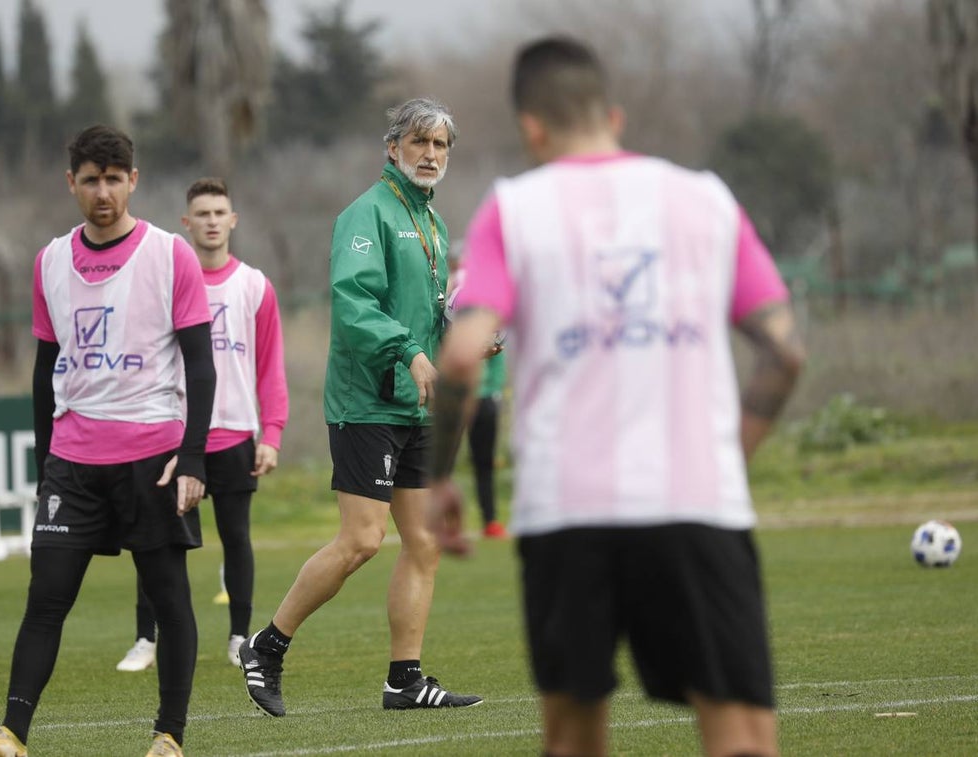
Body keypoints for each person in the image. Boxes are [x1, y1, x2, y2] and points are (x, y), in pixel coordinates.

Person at [428, 37, 806, 757]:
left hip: (566, 511)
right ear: (615, 114)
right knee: (742, 736)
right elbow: (786, 352)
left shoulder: (514, 208)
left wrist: (441, 477)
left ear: (530, 126)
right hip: (696, 501)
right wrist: (728, 453)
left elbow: (460, 356)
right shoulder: (707, 200)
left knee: (573, 739)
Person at [0, 125, 216, 757]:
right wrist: (45, 456)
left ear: (134, 180)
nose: (104, 191)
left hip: (152, 458)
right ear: (70, 182)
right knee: (45, 599)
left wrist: (192, 456)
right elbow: (45, 370)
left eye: (115, 178)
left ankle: (169, 736)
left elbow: (200, 365)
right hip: (73, 463)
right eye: (91, 179)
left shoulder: (169, 253)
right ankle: (12, 735)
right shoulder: (49, 261)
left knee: (169, 597)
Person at [238, 98, 483, 717]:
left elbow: (426, 315)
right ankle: (266, 647)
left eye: (441, 146)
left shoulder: (434, 222)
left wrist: (461, 337)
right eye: (420, 143)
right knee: (362, 541)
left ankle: (405, 680)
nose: (431, 155)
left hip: (415, 405)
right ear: (392, 148)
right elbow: (353, 305)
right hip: (367, 401)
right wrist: (410, 353)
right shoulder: (364, 214)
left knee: (422, 542)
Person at [116, 177, 288, 673]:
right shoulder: (167, 282)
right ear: (186, 223)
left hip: (234, 432)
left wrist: (271, 434)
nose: (212, 221)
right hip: (171, 433)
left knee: (236, 538)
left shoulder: (254, 286)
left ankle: (239, 636)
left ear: (232, 220)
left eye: (220, 213)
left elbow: (269, 366)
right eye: (202, 214)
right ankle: (145, 639)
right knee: (157, 538)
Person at [448, 244, 509, 539]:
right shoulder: (450, 298)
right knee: (443, 459)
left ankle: (490, 520)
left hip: (485, 397)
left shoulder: (489, 299)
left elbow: (498, 353)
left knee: (484, 461)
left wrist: (494, 389)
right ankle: (443, 521)